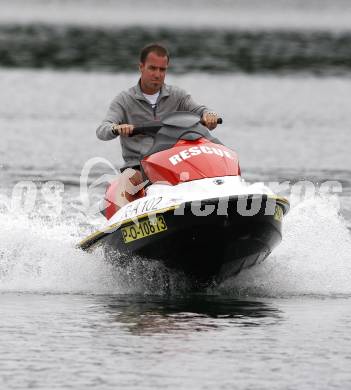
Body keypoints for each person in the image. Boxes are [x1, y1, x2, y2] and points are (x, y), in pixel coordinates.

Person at [96, 43, 219, 214]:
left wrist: (209, 115)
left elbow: (201, 110)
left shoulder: (178, 96)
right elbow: (102, 130)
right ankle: (120, 225)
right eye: (152, 68)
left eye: (162, 70)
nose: (157, 74)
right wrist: (117, 128)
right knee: (127, 182)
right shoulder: (124, 100)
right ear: (141, 67)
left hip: (173, 164)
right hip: (139, 168)